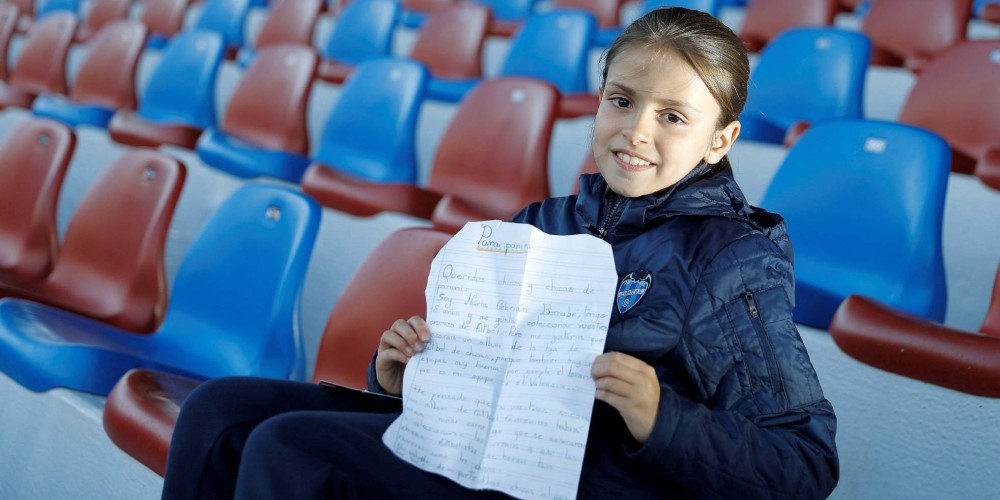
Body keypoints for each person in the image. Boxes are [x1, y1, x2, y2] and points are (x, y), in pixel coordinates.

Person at [161, 7, 839, 499]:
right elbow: (470, 365)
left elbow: (804, 463)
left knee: (293, 451)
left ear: (721, 140)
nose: (636, 130)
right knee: (218, 413)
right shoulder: (544, 223)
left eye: (672, 116)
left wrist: (659, 415)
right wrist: (401, 372)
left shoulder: (730, 256)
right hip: (481, 443)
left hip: (586, 478)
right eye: (622, 101)